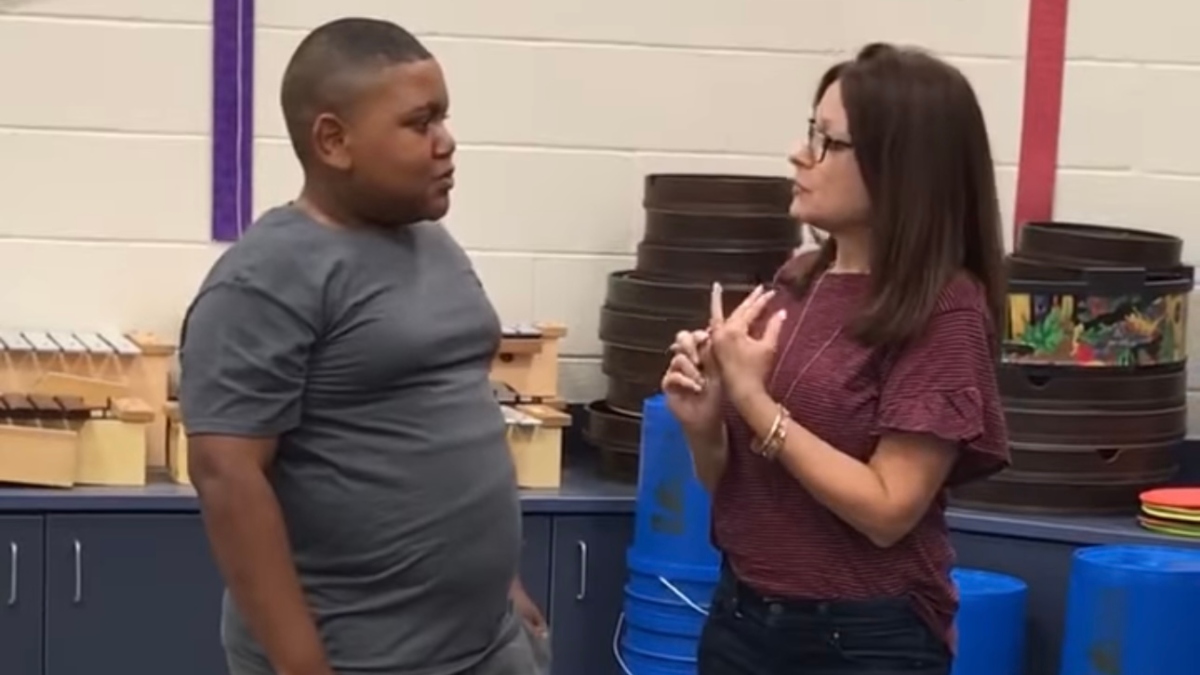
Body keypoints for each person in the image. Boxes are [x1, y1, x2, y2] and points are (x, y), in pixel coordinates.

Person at [178, 18, 545, 675]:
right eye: (419, 123)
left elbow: (448, 418)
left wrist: (503, 585)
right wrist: (301, 665)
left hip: (488, 643)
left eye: (444, 118)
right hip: (363, 658)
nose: (446, 142)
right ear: (333, 140)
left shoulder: (432, 243)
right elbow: (227, 477)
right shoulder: (267, 277)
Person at [661, 43, 1010, 675]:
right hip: (743, 616)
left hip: (861, 640)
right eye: (808, 133)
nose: (801, 155)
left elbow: (886, 511)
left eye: (828, 142)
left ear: (899, 165)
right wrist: (705, 422)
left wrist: (754, 402)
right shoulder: (797, 279)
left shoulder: (944, 309)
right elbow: (743, 491)